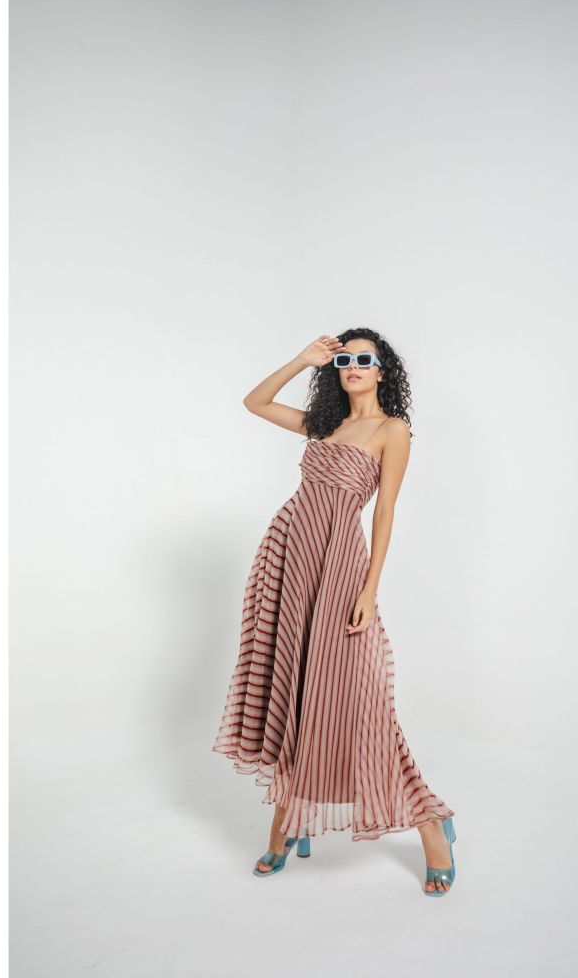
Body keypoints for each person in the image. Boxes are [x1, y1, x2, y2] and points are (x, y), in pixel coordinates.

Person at [212, 328, 457, 896]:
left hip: (339, 561)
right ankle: (287, 826)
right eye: (344, 359)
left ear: (382, 370)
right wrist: (302, 359)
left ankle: (431, 824)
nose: (352, 366)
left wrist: (370, 589)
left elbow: (385, 512)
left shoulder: (393, 430)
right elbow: (255, 402)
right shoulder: (325, 424)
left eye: (364, 359)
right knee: (296, 687)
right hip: (289, 556)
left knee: (354, 695)